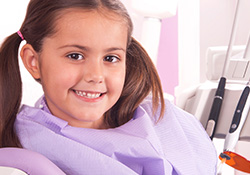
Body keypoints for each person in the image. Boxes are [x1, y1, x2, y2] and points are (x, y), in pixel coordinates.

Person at [0, 0, 217, 174]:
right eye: (75, 56)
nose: (95, 75)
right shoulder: (27, 148)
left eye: (111, 58)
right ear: (33, 61)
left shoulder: (165, 120)